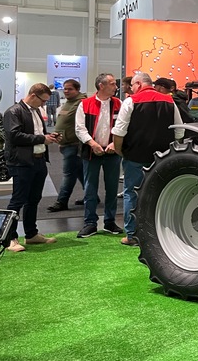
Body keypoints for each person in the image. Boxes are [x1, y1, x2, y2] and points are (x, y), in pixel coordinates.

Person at [112, 72, 184, 246]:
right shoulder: (169, 101)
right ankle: (160, 234)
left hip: (135, 156)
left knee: (131, 194)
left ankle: (132, 235)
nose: (131, 89)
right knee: (160, 194)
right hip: (161, 158)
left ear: (138, 84)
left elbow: (119, 132)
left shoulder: (131, 101)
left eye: (132, 86)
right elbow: (179, 132)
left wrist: (120, 151)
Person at [3, 83, 61, 252]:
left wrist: (48, 137)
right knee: (18, 200)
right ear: (34, 95)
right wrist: (42, 139)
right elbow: (14, 136)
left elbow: (36, 134)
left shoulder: (35, 111)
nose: (44, 104)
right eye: (43, 100)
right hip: (22, 162)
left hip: (39, 160)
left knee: (34, 199)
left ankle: (31, 234)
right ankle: (10, 238)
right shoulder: (13, 112)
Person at [75, 73, 123, 238]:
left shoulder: (119, 104)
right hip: (91, 152)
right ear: (101, 86)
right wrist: (92, 143)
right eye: (111, 83)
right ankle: (90, 223)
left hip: (112, 152)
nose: (115, 86)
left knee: (112, 189)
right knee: (90, 189)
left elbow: (124, 127)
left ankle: (109, 222)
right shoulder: (85, 104)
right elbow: (80, 129)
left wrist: (114, 144)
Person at [47, 79, 86, 212]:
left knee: (68, 174)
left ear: (77, 90)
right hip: (66, 144)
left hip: (74, 145)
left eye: (70, 89)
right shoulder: (68, 103)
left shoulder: (81, 103)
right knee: (80, 172)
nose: (66, 91)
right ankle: (92, 196)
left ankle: (61, 201)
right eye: (65, 88)